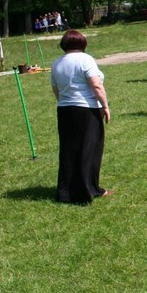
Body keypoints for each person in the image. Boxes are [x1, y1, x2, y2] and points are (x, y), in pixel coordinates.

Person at [50, 30, 112, 203]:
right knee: (89, 150)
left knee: (68, 151)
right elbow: (96, 85)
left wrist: (65, 102)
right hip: (86, 110)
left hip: (65, 110)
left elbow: (55, 89)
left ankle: (66, 192)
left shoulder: (57, 63)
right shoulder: (85, 59)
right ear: (82, 43)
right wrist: (105, 106)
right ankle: (88, 189)